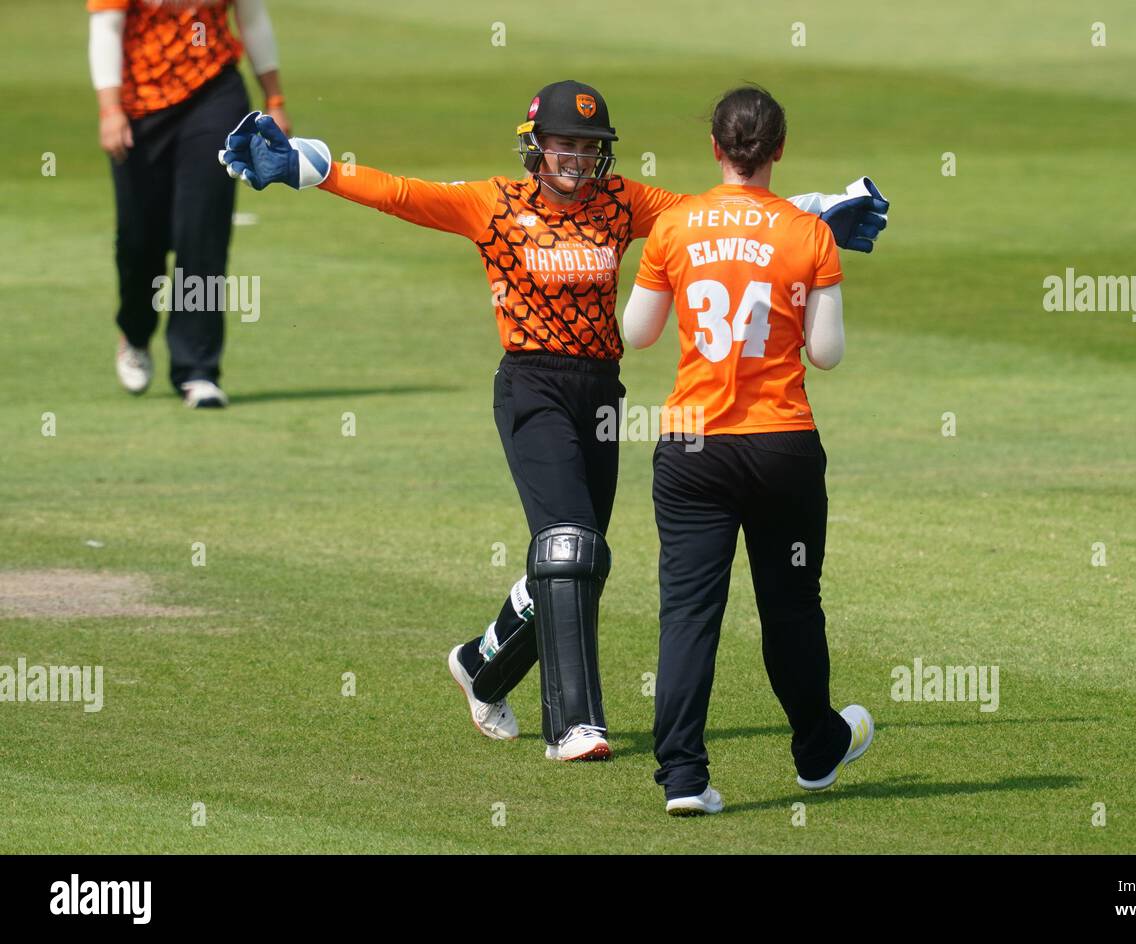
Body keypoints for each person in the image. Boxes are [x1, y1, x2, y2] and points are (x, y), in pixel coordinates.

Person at [216, 79, 888, 762]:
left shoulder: (620, 201)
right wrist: (310, 167)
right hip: (531, 388)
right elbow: (402, 193)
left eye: (590, 146)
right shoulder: (494, 205)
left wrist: (821, 208)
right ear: (535, 145)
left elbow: (717, 213)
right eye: (565, 143)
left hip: (599, 393)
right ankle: (574, 726)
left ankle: (483, 667)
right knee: (568, 546)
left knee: (581, 559)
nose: (576, 157)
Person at [622, 85, 876, 815]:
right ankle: (816, 748)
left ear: (716, 148)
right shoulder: (810, 233)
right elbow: (825, 353)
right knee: (791, 605)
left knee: (689, 614)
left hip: (693, 446)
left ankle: (684, 778)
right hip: (781, 446)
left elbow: (638, 331)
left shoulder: (676, 226)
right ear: (779, 149)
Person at [91, 0, 290, 407]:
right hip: (138, 107)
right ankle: (135, 330)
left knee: (202, 231)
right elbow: (107, 29)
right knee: (138, 240)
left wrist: (275, 102)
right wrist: (110, 110)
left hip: (213, 95)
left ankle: (197, 369)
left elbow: (252, 19)